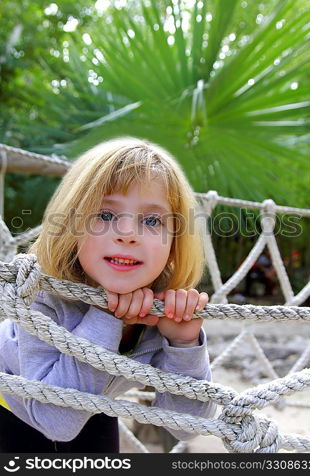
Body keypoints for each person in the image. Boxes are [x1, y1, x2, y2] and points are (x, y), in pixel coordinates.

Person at [0, 137, 215, 453]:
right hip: (13, 404)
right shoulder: (44, 298)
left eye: (152, 220)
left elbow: (187, 426)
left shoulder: (162, 307)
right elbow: (54, 420)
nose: (127, 234)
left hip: (94, 402)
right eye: (105, 215)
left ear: (174, 245)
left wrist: (183, 344)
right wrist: (107, 316)